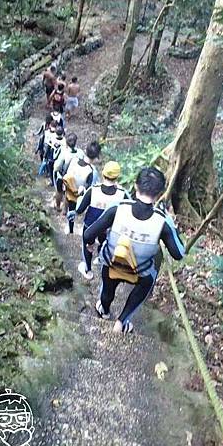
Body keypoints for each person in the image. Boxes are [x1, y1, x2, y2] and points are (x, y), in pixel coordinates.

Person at [83, 167, 185, 334]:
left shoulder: (119, 208)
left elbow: (88, 234)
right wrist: (172, 227)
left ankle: (105, 310)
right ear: (159, 194)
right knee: (148, 280)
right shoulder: (163, 221)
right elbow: (179, 253)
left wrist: (90, 245)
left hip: (112, 264)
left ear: (135, 186)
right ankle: (122, 321)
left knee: (107, 287)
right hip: (141, 272)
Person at [68, 161, 129, 280]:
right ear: (117, 176)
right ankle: (101, 259)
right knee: (103, 242)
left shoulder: (93, 190)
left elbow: (80, 209)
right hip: (108, 228)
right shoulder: (122, 194)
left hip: (90, 225)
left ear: (103, 174)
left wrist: (75, 211)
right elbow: (129, 209)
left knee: (87, 245)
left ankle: (88, 270)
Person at [63, 141, 101, 235]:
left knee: (71, 210)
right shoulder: (92, 171)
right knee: (83, 211)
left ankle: (70, 228)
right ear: (96, 157)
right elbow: (91, 188)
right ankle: (81, 228)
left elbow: (67, 173)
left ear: (85, 150)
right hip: (82, 197)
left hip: (70, 191)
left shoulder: (74, 160)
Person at [53, 133, 84, 212]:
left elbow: (57, 167)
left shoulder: (64, 153)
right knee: (68, 193)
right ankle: (65, 211)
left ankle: (58, 206)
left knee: (59, 191)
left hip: (63, 176)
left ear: (66, 142)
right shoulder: (81, 153)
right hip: (74, 177)